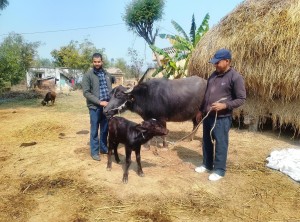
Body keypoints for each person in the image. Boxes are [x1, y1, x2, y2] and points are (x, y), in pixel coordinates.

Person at [195, 48, 246, 181]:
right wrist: (201, 110)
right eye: (214, 63)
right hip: (208, 116)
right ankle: (207, 165)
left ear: (227, 61)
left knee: (221, 143)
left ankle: (219, 170)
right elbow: (206, 95)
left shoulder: (235, 77)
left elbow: (241, 99)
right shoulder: (213, 75)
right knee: (206, 141)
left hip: (222, 118)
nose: (215, 65)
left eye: (218, 62)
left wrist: (225, 105)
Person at [82, 53, 113, 161]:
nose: (97, 64)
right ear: (92, 62)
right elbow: (86, 92)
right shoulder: (88, 75)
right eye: (95, 62)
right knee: (95, 130)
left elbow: (111, 86)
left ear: (102, 62)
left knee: (105, 129)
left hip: (107, 107)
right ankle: (94, 152)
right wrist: (99, 102)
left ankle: (104, 148)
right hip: (95, 107)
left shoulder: (106, 74)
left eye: (98, 61)